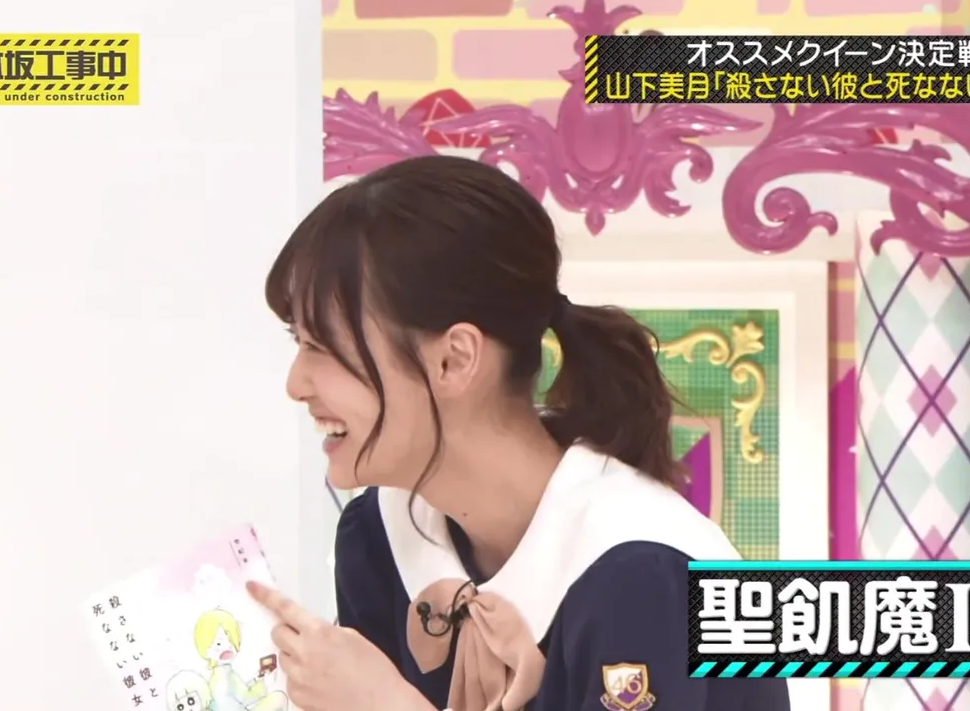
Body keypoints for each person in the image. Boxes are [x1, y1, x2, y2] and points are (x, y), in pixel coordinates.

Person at [245, 155, 791, 711]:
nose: (296, 384)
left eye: (322, 347)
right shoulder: (379, 536)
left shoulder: (644, 570)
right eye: (299, 342)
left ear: (455, 359)